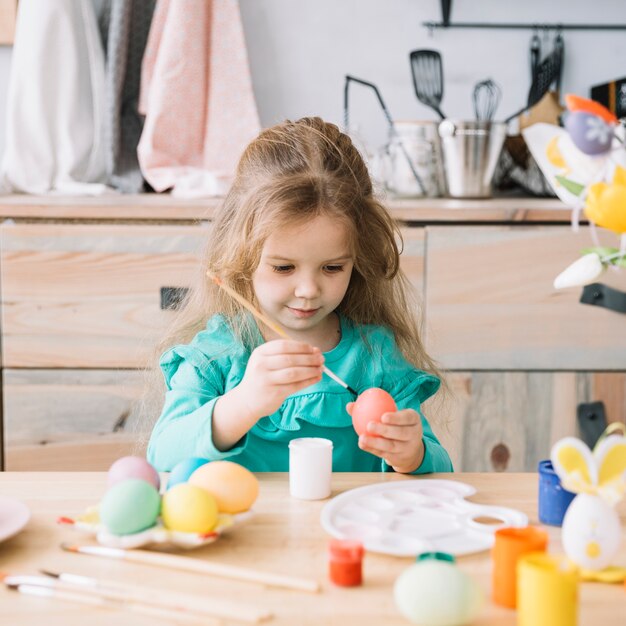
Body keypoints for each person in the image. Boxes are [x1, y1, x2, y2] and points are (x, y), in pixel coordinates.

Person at [146, 117, 452, 474]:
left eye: (333, 267)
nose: (308, 290)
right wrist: (243, 402)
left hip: (344, 528)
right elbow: (162, 454)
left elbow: (443, 469)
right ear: (241, 259)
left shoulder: (375, 358)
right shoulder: (217, 356)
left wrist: (412, 454)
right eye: (283, 268)